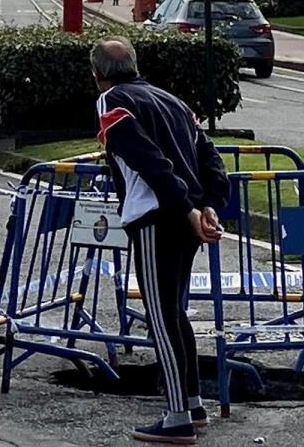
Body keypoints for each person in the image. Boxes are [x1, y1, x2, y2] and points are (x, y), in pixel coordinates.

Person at [90, 37, 229, 445]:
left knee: (160, 316)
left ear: (97, 74)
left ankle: (177, 416)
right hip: (186, 215)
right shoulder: (174, 102)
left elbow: (147, 159)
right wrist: (208, 205)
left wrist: (186, 207)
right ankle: (193, 402)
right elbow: (210, 157)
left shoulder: (112, 100)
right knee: (174, 312)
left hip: (155, 215)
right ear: (134, 64)